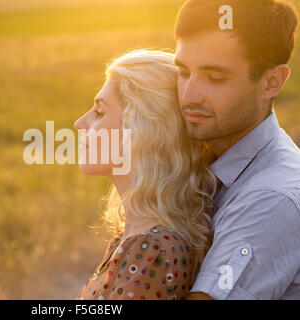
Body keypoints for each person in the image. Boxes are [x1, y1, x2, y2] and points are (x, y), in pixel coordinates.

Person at [174, 0, 300, 299]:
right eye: (182, 72)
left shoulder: (271, 197)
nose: (188, 95)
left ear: (272, 82)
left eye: (215, 78)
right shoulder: (202, 163)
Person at [74, 50, 218, 300]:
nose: (80, 123)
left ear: (141, 132)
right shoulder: (134, 237)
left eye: (99, 112)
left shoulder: (152, 252)